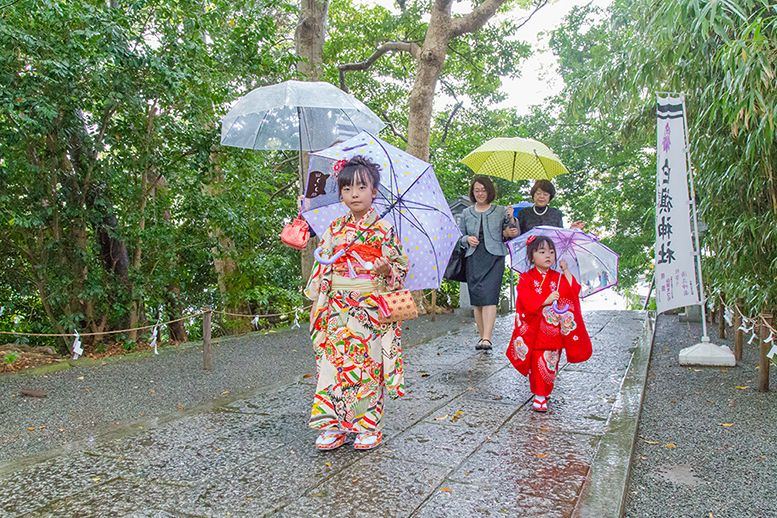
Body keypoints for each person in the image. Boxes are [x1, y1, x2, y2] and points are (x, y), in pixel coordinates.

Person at [304, 156, 409, 451]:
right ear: (341, 193)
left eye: (361, 187)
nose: (354, 194)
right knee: (333, 365)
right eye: (347, 188)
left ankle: (368, 426)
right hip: (338, 306)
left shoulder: (384, 229)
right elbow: (321, 263)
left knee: (368, 366)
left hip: (370, 308)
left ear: (374, 190)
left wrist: (387, 269)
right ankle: (333, 425)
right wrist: (327, 271)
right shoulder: (334, 229)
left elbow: (401, 266)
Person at [506, 236, 592, 412]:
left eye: (551, 252)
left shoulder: (558, 277)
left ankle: (544, 390)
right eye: (542, 252)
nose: (548, 256)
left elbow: (573, 290)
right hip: (536, 329)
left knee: (551, 362)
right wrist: (545, 299)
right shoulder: (526, 278)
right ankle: (539, 394)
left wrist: (566, 270)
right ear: (532, 257)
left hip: (554, 329)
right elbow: (524, 298)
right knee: (538, 360)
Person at [458, 175, 519, 351]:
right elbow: (458, 237)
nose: (480, 193)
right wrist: (466, 239)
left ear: (489, 191)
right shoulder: (466, 213)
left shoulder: (500, 210)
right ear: (472, 192)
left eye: (483, 190)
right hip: (474, 257)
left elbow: (512, 232)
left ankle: (487, 338)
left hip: (494, 257)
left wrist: (511, 217)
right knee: (477, 300)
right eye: (476, 190)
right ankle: (482, 336)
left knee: (490, 297)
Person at [517, 180, 585, 235]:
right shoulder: (523, 213)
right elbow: (517, 236)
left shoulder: (556, 214)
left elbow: (560, 236)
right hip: (528, 250)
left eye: (545, 194)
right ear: (533, 195)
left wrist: (571, 230)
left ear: (550, 197)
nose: (541, 197)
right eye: (538, 193)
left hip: (550, 250)